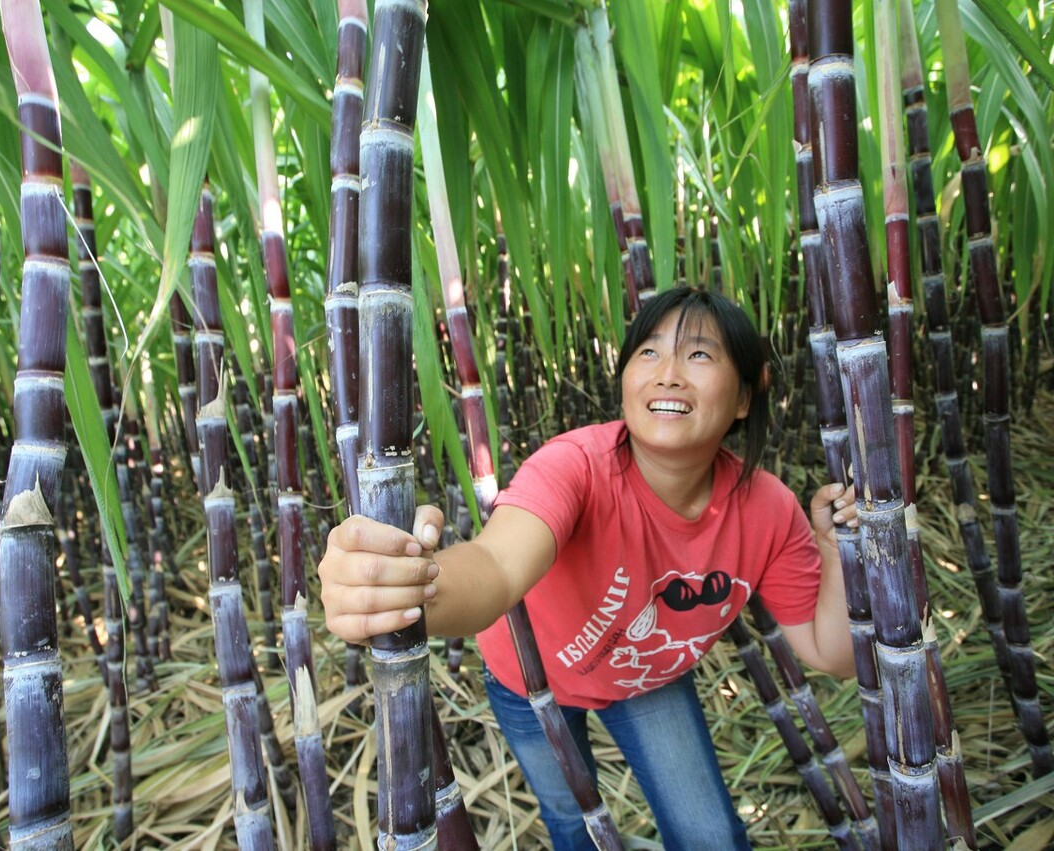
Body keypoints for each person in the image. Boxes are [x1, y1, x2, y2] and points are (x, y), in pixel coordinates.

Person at [320, 287, 857, 850]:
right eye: (648, 352)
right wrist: (407, 585)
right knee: (571, 823)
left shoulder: (768, 510)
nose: (668, 374)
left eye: (699, 354)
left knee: (713, 837)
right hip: (527, 679)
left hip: (647, 678)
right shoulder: (575, 466)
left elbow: (832, 652)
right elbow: (495, 566)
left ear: (745, 396)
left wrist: (836, 549)